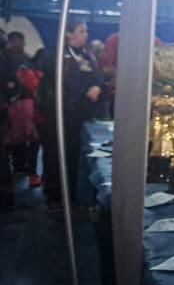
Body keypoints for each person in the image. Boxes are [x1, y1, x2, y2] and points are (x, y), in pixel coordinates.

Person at [38, 20, 105, 212]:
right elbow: (62, 79)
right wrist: (85, 89)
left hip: (82, 115)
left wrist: (97, 86)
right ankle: (54, 197)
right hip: (58, 115)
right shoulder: (55, 54)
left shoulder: (87, 54)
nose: (86, 34)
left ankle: (73, 195)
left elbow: (98, 76)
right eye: (81, 31)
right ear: (68, 33)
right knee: (56, 155)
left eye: (86, 31)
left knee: (75, 155)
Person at [3, 33, 42, 188]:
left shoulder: (15, 59)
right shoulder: (23, 60)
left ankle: (19, 172)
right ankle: (29, 173)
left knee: (15, 140)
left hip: (18, 105)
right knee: (32, 139)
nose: (20, 44)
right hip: (23, 105)